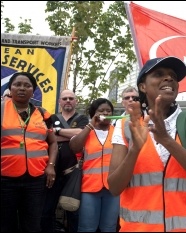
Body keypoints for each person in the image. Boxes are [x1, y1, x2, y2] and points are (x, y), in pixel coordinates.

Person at [108, 56, 186, 232]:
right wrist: (135, 150)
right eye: (159, 74)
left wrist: (166, 140)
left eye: (173, 76)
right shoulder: (123, 126)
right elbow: (114, 187)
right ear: (143, 86)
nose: (169, 78)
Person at [1, 72, 58, 232]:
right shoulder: (1, 110)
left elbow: (53, 142)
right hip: (5, 180)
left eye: (27, 85)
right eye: (17, 84)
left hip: (36, 180)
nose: (22, 88)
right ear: (10, 88)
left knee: (32, 225)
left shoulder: (42, 114)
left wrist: (51, 166)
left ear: (33, 91)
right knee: (5, 225)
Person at [41, 89, 89, 232]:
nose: (68, 101)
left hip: (73, 173)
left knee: (73, 212)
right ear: (59, 102)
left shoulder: (82, 119)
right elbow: (47, 138)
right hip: (51, 173)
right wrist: (70, 136)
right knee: (46, 211)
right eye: (65, 98)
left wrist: (56, 131)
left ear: (76, 101)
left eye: (71, 98)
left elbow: (82, 133)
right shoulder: (52, 118)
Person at [69, 98, 119, 232]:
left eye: (109, 111)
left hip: (113, 188)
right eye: (101, 110)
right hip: (89, 187)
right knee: (87, 228)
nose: (106, 113)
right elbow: (74, 148)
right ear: (93, 113)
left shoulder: (118, 133)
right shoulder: (86, 132)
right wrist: (90, 125)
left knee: (109, 227)